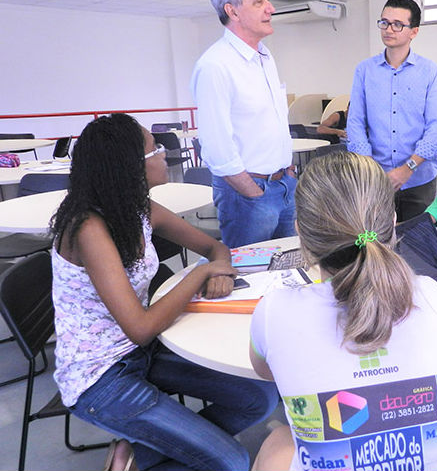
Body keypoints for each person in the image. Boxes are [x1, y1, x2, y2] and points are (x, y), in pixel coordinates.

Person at [49, 113, 279, 471]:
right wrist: (201, 274)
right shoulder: (89, 229)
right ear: (130, 165)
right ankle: (153, 449)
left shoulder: (139, 209)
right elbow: (139, 327)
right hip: (100, 377)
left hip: (143, 352)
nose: (164, 156)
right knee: (232, 462)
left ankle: (139, 454)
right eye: (155, 150)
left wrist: (219, 271)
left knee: (260, 397)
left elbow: (216, 250)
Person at [249, 151, 437, 471]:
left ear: (300, 234)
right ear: (391, 223)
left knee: (278, 439)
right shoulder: (430, 293)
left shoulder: (274, 310)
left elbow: (267, 373)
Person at [191, 0, 296, 249]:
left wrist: (288, 173)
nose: (271, 9)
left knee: (288, 272)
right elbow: (215, 147)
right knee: (251, 277)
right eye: (259, 1)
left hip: (284, 186)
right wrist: (253, 192)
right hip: (249, 194)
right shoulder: (216, 66)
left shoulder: (265, 56)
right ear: (233, 12)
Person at [347, 0, 437, 222]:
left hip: (419, 179)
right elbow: (355, 122)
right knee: (375, 248)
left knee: (418, 248)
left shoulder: (429, 70)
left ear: (414, 31)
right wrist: (371, 169)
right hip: (375, 181)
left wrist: (408, 167)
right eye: (384, 22)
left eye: (397, 24)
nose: (388, 29)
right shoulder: (365, 70)